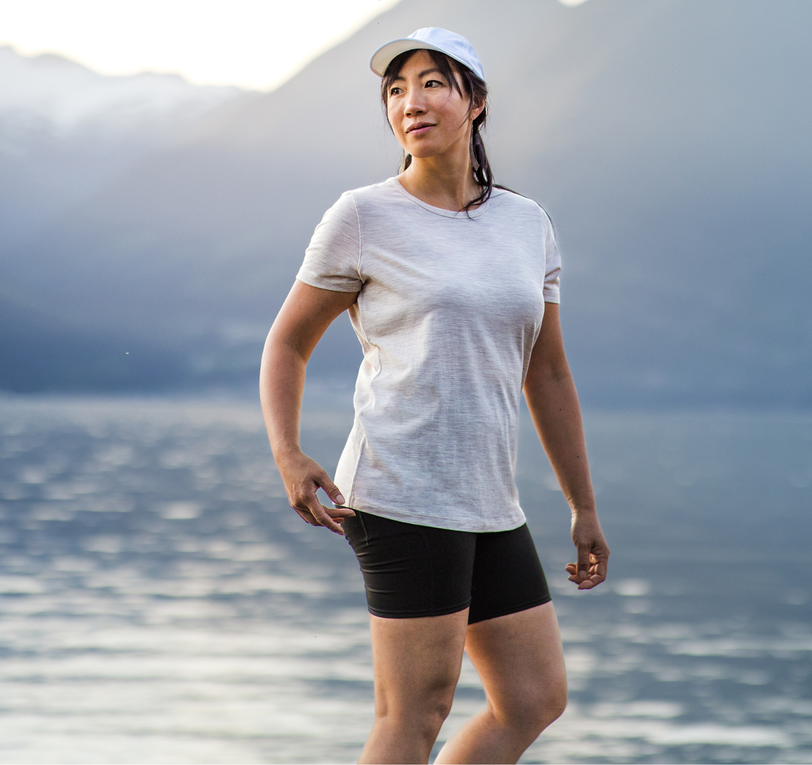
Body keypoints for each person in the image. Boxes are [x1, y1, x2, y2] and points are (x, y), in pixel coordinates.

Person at [260, 27, 609, 764]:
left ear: (475, 101)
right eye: (394, 90)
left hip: (487, 497)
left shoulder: (526, 225)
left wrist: (582, 503)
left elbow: (546, 373)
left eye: (430, 83)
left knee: (534, 695)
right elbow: (287, 342)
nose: (409, 102)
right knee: (414, 712)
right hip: (400, 488)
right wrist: (288, 453)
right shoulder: (362, 216)